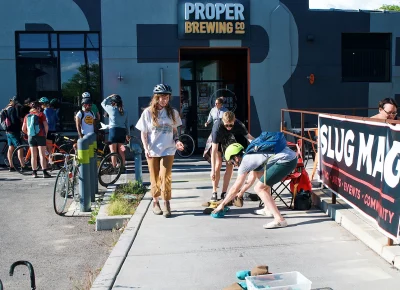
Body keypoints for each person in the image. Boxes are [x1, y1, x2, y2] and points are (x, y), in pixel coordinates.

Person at [212, 141, 298, 229]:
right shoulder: (250, 154)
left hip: (287, 160)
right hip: (290, 156)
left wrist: (222, 204)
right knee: (261, 178)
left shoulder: (245, 162)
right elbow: (251, 179)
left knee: (259, 188)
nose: (233, 165)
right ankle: (267, 209)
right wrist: (241, 193)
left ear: (236, 157)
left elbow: (235, 187)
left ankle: (279, 219)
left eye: (231, 162)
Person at [135, 84, 184, 218]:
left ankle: (166, 203)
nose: (164, 100)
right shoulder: (148, 113)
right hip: (153, 150)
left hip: (168, 149)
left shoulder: (173, 113)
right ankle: (155, 202)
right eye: (162, 97)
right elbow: (143, 133)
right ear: (156, 97)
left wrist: (177, 141)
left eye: (167, 97)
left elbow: (175, 131)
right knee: (155, 177)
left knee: (165, 176)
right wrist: (145, 149)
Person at [204, 111, 254, 202]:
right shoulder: (217, 127)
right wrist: (212, 171)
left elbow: (249, 137)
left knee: (230, 165)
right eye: (226, 125)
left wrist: (258, 144)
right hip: (217, 141)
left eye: (231, 125)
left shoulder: (239, 124)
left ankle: (224, 192)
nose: (229, 127)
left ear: (234, 121)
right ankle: (214, 191)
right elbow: (214, 150)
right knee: (217, 165)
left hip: (229, 141)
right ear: (223, 121)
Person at [22, 101, 51, 178]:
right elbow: (46, 126)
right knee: (42, 155)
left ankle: (34, 172)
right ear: (38, 107)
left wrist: (28, 133)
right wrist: (45, 134)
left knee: (33, 156)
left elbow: (23, 129)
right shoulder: (41, 114)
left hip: (31, 137)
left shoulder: (27, 116)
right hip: (40, 136)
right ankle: (44, 172)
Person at [101, 94, 130, 171]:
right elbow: (127, 124)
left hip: (113, 132)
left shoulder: (111, 109)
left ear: (114, 102)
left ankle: (113, 167)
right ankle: (123, 167)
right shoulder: (125, 111)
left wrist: (109, 96)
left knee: (113, 151)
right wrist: (128, 134)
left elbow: (102, 103)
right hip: (122, 132)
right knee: (122, 150)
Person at [2, 96, 24, 172]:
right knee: (19, 147)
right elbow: (14, 121)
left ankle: (11, 166)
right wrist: (20, 121)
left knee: (10, 148)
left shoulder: (6, 108)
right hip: (14, 131)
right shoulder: (13, 109)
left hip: (8, 131)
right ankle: (22, 165)